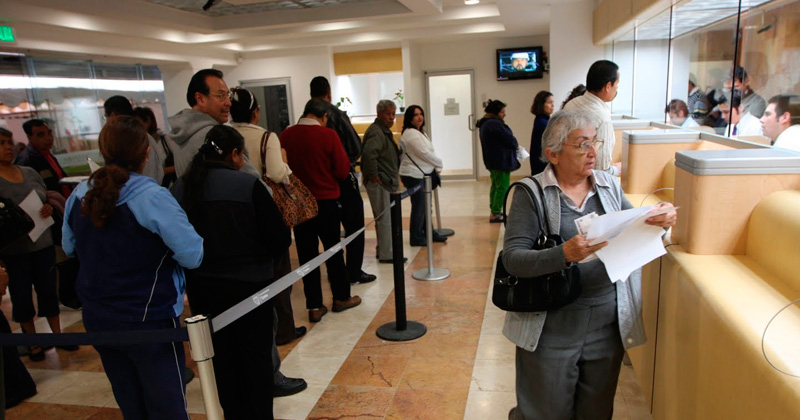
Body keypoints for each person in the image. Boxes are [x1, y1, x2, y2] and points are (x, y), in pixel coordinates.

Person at [503, 110, 677, 420]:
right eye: (582, 144)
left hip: (606, 323)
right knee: (546, 411)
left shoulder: (608, 185)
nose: (593, 152)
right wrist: (563, 254)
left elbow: (636, 229)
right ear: (553, 154)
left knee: (596, 411)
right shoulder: (531, 194)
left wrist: (659, 223)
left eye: (595, 142)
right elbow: (513, 259)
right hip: (552, 325)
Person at [62, 116, 204, 419]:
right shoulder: (152, 197)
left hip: (98, 316)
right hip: (148, 317)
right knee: (167, 406)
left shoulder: (79, 195)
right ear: (146, 153)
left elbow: (69, 247)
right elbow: (192, 255)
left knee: (131, 402)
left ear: (103, 151)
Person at [173, 125, 291, 419]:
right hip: (251, 290)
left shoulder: (182, 187)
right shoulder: (247, 185)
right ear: (235, 154)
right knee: (256, 361)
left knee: (222, 362)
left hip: (203, 291)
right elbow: (279, 238)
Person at [228, 87, 308, 397]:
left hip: (235, 221)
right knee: (278, 275)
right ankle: (283, 331)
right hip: (266, 211)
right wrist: (285, 166)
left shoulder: (224, 134)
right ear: (255, 112)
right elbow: (276, 173)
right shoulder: (266, 137)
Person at [281, 99, 361, 322]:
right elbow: (343, 170)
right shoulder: (328, 136)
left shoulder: (286, 135)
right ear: (324, 116)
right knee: (333, 250)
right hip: (326, 202)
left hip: (299, 203)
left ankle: (314, 306)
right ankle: (341, 297)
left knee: (307, 255)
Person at [0, 127, 76, 362]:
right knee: (21, 294)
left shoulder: (28, 172)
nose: (8, 147)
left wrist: (48, 208)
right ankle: (32, 341)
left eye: (9, 142)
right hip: (14, 248)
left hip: (41, 241)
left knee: (48, 290)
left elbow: (45, 196)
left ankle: (58, 335)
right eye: (1, 143)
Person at [310, 76, 376, 285]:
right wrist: (344, 164)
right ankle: (353, 272)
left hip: (316, 185)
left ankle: (336, 273)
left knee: (329, 233)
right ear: (329, 94)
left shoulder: (304, 119)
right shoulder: (336, 115)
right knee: (354, 226)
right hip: (342, 179)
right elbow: (356, 146)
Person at [563, 60, 622, 176]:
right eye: (617, 84)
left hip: (565, 175)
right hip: (585, 181)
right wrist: (617, 169)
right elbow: (601, 171)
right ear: (608, 86)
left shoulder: (570, 105)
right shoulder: (602, 117)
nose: (617, 88)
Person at [362, 99, 403, 263]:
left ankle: (383, 250)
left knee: (384, 218)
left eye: (393, 114)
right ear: (379, 114)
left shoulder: (383, 131)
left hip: (385, 181)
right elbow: (369, 155)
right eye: (388, 114)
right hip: (380, 183)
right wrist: (375, 176)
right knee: (385, 219)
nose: (392, 117)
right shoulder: (376, 132)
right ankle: (387, 254)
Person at [398, 105, 446, 246]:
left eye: (421, 114)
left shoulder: (419, 132)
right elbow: (424, 154)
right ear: (409, 118)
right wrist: (439, 164)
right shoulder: (412, 134)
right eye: (415, 115)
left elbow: (428, 152)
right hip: (414, 175)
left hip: (421, 173)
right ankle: (416, 236)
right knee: (419, 207)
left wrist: (436, 165)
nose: (419, 117)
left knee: (425, 206)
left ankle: (429, 232)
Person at [477, 99, 520, 223]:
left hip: (493, 161)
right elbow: (509, 139)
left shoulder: (486, 123)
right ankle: (495, 213)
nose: (504, 114)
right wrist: (516, 145)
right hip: (501, 161)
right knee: (502, 187)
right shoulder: (494, 124)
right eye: (502, 112)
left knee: (496, 186)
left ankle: (494, 210)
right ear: (495, 113)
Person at [104, 96, 163, 184]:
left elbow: (149, 171)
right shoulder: (137, 135)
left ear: (113, 116)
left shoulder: (136, 137)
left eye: (106, 117)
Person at [15, 119, 71, 198]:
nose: (48, 138)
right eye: (41, 135)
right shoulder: (26, 160)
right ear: (29, 137)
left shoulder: (48, 155)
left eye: (49, 133)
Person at [133, 106, 177, 188]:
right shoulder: (138, 145)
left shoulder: (166, 140)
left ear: (147, 122)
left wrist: (164, 170)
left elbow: (179, 163)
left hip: (170, 186)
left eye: (137, 122)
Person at [530, 91, 554, 175]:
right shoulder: (543, 122)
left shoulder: (542, 120)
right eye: (550, 103)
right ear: (542, 104)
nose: (552, 105)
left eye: (553, 102)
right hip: (542, 162)